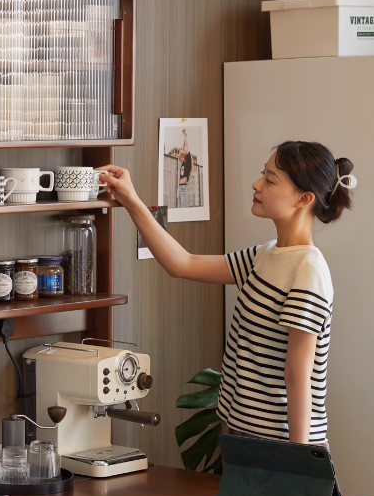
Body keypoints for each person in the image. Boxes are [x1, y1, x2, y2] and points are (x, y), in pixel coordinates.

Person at [98, 141, 357, 447]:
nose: (256, 184)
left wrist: (297, 463)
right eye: (263, 174)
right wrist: (131, 199)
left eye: (270, 179)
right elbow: (182, 263)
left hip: (280, 446)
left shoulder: (308, 270)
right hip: (243, 436)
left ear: (304, 198)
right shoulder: (265, 255)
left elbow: (297, 376)